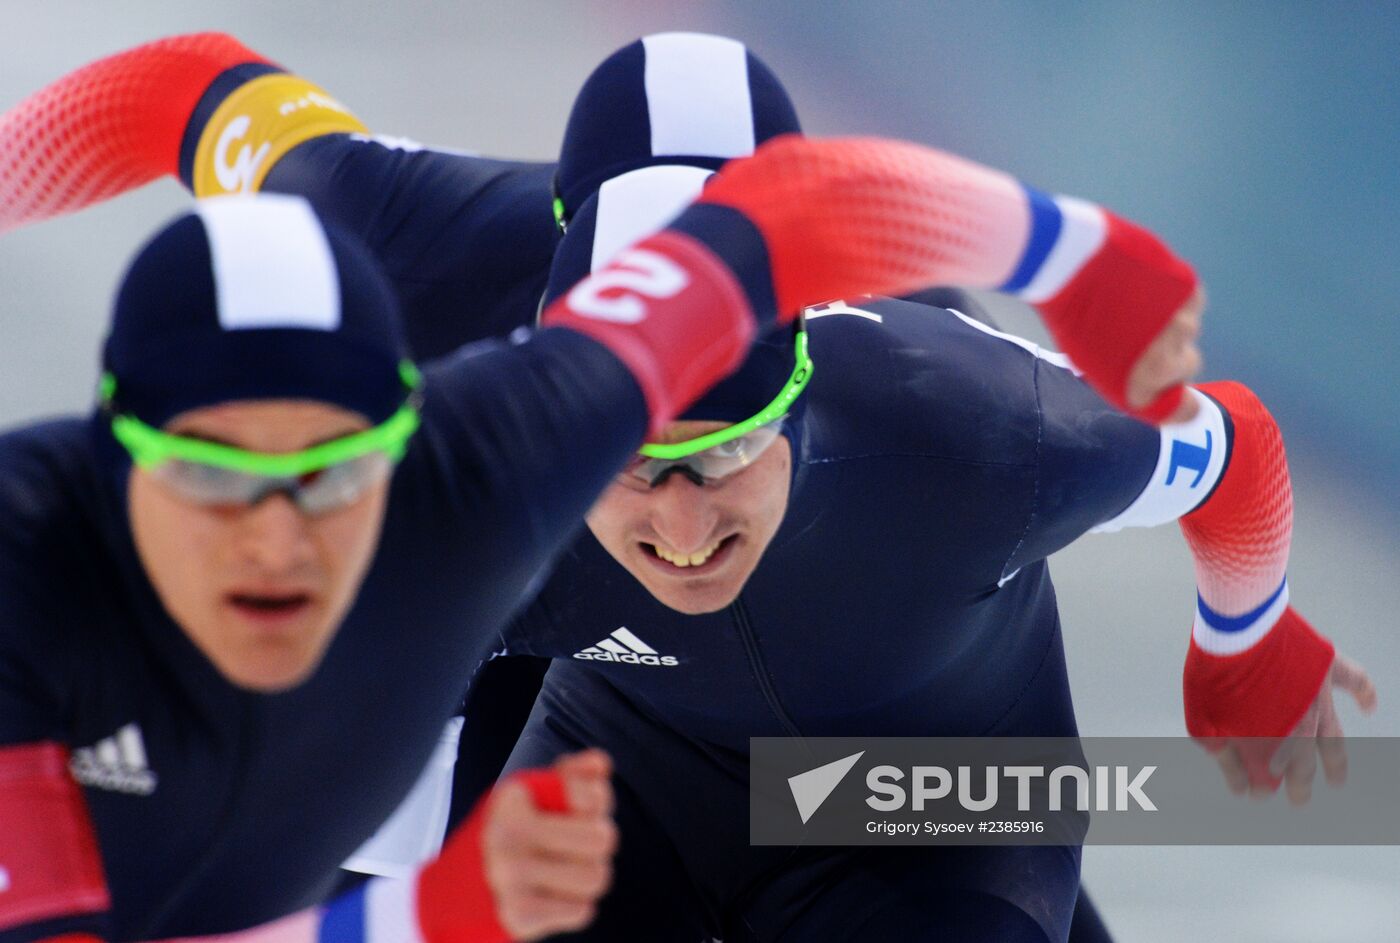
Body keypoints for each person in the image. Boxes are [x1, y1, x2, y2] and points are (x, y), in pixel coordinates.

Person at [0, 105, 1008, 936]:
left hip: (893, 795)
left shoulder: (949, 410)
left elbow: (779, 222)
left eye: (333, 474)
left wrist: (1078, 257)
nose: (274, 539)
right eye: (212, 477)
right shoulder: (439, 291)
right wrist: (414, 916)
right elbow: (169, 89)